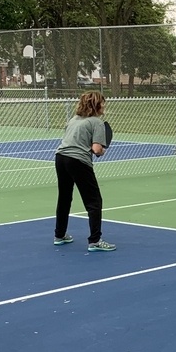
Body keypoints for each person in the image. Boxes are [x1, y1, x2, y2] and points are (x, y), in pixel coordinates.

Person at [54, 91, 115, 252]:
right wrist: (101, 151)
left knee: (64, 197)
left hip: (60, 158)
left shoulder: (73, 120)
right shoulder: (97, 122)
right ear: (96, 105)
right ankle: (95, 241)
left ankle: (59, 235)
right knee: (94, 201)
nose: (104, 106)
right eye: (102, 103)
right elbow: (96, 149)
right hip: (78, 161)